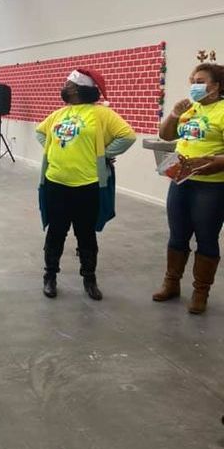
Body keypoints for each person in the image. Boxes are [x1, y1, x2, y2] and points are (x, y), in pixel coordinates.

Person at [36, 68, 136, 300]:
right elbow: (40, 133)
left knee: (86, 234)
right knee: (56, 232)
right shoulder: (59, 113)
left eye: (68, 84)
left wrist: (103, 154)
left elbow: (127, 136)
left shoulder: (101, 113)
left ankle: (89, 278)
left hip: (87, 185)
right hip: (56, 182)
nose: (64, 87)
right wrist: (52, 148)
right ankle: (50, 276)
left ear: (79, 89)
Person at [153, 63, 224, 314]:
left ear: (216, 86)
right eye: (192, 81)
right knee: (177, 235)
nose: (194, 85)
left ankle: (200, 292)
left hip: (211, 186)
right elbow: (165, 135)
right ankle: (171, 283)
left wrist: (217, 163)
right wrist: (174, 114)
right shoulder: (191, 108)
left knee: (206, 237)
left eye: (200, 81)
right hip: (181, 181)